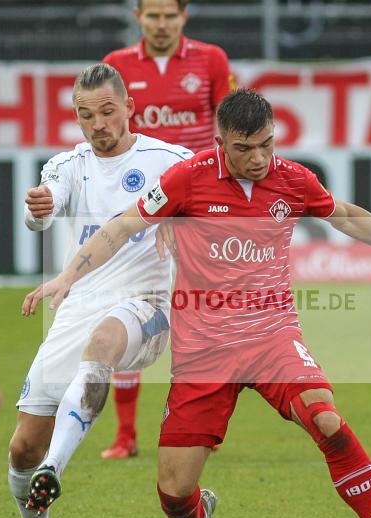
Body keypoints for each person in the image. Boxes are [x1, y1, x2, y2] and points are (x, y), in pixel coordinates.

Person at [21, 89, 371, 518]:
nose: (259, 158)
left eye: (267, 144)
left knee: (325, 418)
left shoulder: (293, 180)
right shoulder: (188, 178)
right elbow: (122, 227)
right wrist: (66, 276)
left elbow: (347, 216)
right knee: (173, 492)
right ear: (220, 142)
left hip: (272, 337)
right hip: (203, 352)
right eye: (244, 148)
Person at [0, 63, 192, 518]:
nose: (97, 124)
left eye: (107, 112)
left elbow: (214, 188)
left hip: (147, 306)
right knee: (21, 448)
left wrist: (184, 219)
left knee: (102, 345)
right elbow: (46, 206)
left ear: (130, 108)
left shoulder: (171, 158)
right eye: (85, 114)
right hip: (77, 305)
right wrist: (39, 207)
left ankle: (55, 469)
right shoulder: (68, 164)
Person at [100, 0, 235, 459]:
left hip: (200, 204)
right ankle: (125, 434)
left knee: (204, 312)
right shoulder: (116, 65)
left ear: (184, 17)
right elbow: (111, 134)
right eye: (152, 15)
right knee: (127, 303)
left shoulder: (211, 59)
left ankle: (201, 422)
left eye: (169, 15)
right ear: (138, 17)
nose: (161, 24)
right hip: (143, 204)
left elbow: (228, 126)